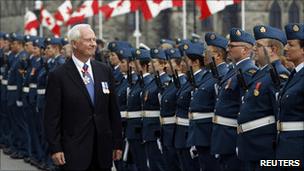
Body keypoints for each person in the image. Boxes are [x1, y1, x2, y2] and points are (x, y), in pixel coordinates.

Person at [44, 24, 123, 171]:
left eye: (93, 39)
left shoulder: (104, 71)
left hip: (102, 149)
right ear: (74, 43)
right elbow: (52, 116)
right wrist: (55, 147)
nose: (93, 43)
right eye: (88, 40)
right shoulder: (58, 75)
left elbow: (113, 111)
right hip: (73, 150)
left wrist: (117, 143)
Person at [237, 25, 289, 171]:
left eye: (259, 46)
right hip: (252, 145)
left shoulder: (278, 74)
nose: (254, 49)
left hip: (265, 148)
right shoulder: (262, 73)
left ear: (273, 50)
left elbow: (280, 114)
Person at [211, 28, 258, 171]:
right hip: (224, 134)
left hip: (232, 135)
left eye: (232, 46)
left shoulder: (248, 71)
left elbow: (244, 107)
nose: (228, 49)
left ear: (244, 50)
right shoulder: (234, 70)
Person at [276, 23, 304, 171]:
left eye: (291, 45)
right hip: (286, 147)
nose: (285, 48)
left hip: (298, 151)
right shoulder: (294, 75)